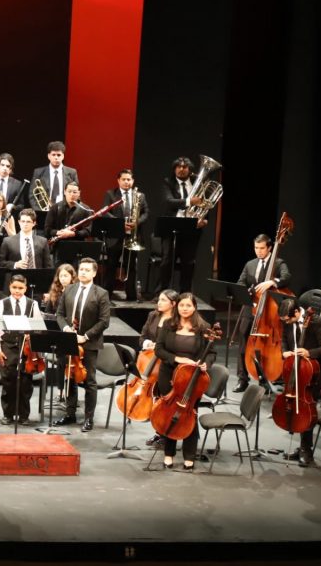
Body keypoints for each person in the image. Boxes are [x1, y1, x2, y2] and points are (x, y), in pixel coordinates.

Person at [154, 292, 217, 470]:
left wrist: (206, 363)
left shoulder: (204, 328)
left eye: (188, 305)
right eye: (182, 305)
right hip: (169, 375)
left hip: (192, 377)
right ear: (177, 306)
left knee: (190, 414)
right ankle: (168, 454)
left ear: (195, 307)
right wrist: (177, 359)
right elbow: (159, 350)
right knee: (169, 414)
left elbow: (211, 353)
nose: (184, 308)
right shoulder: (168, 324)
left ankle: (189, 456)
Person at [54, 257, 112, 432]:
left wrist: (85, 336)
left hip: (89, 343)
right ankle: (70, 413)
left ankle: (88, 418)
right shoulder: (69, 289)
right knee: (70, 377)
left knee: (89, 381)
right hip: (69, 341)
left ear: (94, 273)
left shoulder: (101, 293)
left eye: (87, 270)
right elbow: (60, 314)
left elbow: (104, 321)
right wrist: (66, 329)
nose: (83, 272)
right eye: (81, 269)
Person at [277, 290, 321, 466]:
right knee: (296, 406)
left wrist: (309, 353)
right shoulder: (288, 321)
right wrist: (284, 351)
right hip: (297, 369)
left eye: (288, 320)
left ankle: (307, 451)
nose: (286, 323)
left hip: (316, 372)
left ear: (296, 313)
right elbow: (284, 339)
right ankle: (301, 447)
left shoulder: (316, 322)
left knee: (306, 409)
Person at [234, 234, 292, 392]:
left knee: (266, 345)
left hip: (268, 310)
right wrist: (246, 290)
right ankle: (242, 379)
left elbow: (287, 277)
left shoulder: (278, 263)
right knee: (243, 341)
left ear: (269, 248)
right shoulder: (250, 264)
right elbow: (241, 282)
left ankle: (265, 379)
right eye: (256, 248)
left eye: (262, 248)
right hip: (251, 307)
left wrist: (272, 282)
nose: (258, 251)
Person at [0, 274, 42, 424]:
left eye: (21, 288)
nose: (17, 291)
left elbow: (38, 327)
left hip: (26, 349)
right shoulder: (2, 304)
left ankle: (24, 415)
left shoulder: (33, 304)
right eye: (14, 287)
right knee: (8, 382)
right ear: (10, 287)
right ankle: (8, 414)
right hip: (7, 347)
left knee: (26, 383)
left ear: (26, 288)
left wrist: (31, 335)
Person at [157, 156, 206, 294]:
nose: (181, 169)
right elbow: (169, 202)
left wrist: (204, 219)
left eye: (185, 167)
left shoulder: (198, 183)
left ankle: (185, 293)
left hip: (191, 227)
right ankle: (162, 293)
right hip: (171, 227)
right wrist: (190, 201)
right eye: (178, 166)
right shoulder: (168, 182)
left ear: (190, 169)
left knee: (189, 263)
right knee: (167, 261)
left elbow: (206, 203)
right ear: (174, 169)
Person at [140, 290, 179, 447]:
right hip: (150, 361)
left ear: (173, 304)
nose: (159, 302)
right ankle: (159, 432)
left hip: (168, 364)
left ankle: (166, 433)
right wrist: (147, 343)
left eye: (163, 300)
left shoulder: (178, 321)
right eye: (159, 299)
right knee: (156, 399)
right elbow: (142, 336)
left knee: (164, 399)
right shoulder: (153, 315)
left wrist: (160, 347)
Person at [102, 169, 149, 300]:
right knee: (111, 265)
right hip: (115, 236)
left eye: (129, 179)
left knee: (131, 266)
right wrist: (120, 224)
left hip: (132, 235)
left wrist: (136, 222)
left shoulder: (140, 195)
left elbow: (146, 212)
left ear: (133, 181)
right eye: (124, 179)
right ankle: (106, 295)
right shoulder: (110, 194)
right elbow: (105, 211)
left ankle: (131, 296)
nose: (127, 182)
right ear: (118, 180)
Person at [44, 182, 90, 264]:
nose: (72, 194)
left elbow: (87, 231)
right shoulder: (55, 208)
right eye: (69, 191)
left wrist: (72, 234)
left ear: (79, 193)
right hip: (58, 247)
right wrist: (59, 232)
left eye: (75, 192)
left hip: (77, 248)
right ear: (64, 192)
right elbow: (47, 230)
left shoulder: (85, 209)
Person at [30, 141, 79, 211]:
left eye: (59, 155)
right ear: (49, 156)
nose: (56, 157)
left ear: (63, 156)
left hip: (65, 211)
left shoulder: (72, 172)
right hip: (44, 211)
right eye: (53, 155)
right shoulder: (39, 172)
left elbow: (76, 194)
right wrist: (40, 210)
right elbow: (32, 195)